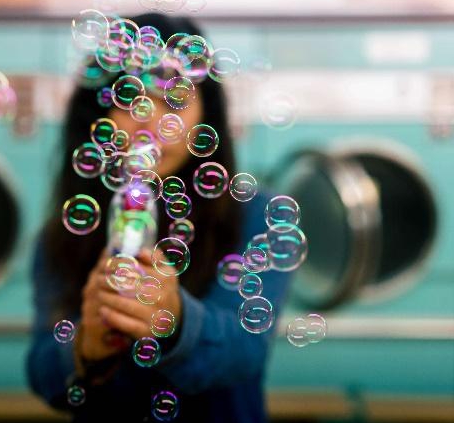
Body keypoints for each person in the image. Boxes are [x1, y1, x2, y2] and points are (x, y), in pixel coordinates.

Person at [27, 12, 291, 423]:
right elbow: (42, 371)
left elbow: (246, 350)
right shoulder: (61, 234)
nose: (148, 119)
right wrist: (83, 347)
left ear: (208, 114)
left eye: (173, 99)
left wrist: (177, 323)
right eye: (129, 97)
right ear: (98, 117)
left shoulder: (256, 216)